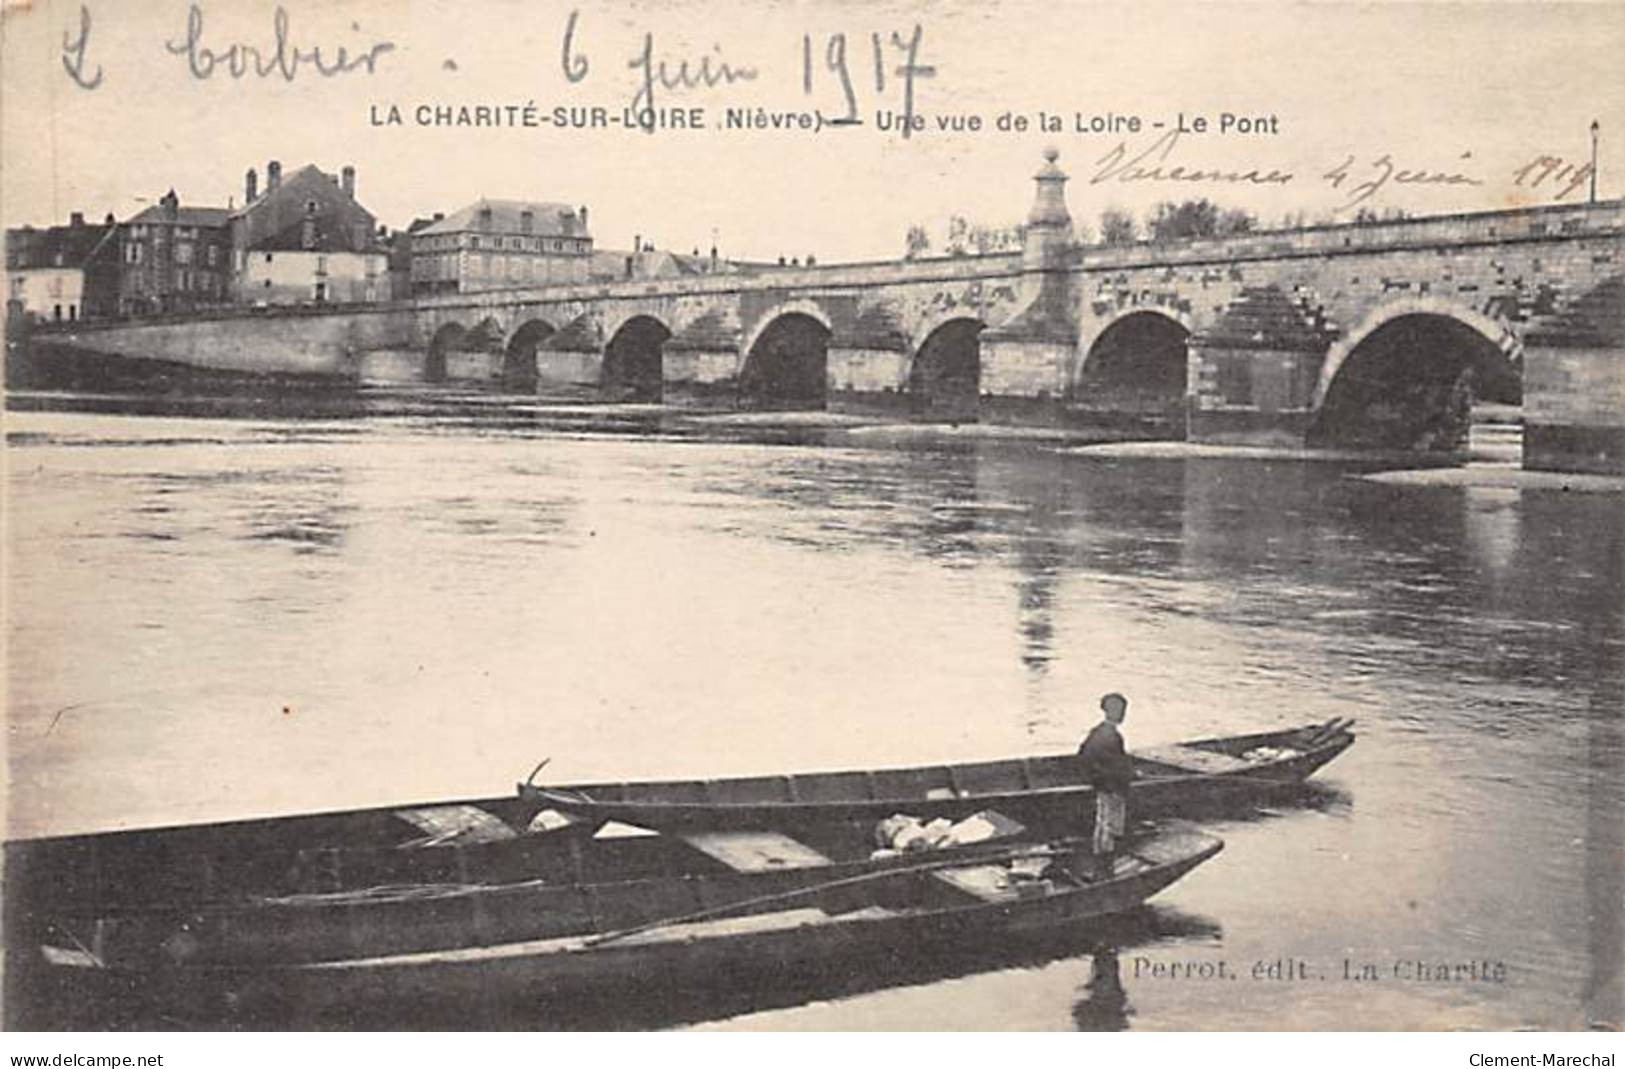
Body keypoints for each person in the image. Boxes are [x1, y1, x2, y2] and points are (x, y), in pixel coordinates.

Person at [1076, 692, 1134, 878]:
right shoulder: (1112, 736)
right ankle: (1105, 870)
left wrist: (1095, 778)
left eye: (1122, 710)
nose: (1122, 714)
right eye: (1119, 710)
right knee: (1110, 827)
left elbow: (1083, 756)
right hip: (1112, 787)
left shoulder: (1097, 732)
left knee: (1102, 826)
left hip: (1103, 785)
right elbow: (1116, 764)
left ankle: (1101, 865)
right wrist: (1125, 777)